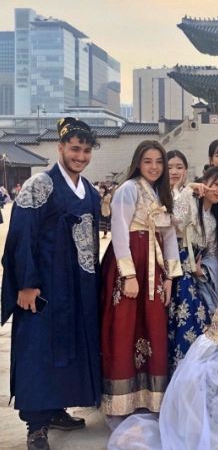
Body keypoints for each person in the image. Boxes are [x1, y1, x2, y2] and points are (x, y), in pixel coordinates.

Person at [1, 117, 101, 449]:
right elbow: (21, 236)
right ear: (60, 148)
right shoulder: (39, 185)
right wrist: (26, 284)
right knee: (38, 350)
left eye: (86, 150)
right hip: (44, 286)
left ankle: (58, 408)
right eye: (75, 149)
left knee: (71, 347)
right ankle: (36, 425)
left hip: (78, 287)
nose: (81, 156)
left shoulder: (90, 191)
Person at [100, 140, 183, 416]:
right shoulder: (129, 189)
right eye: (148, 161)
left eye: (159, 162)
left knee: (153, 325)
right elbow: (119, 230)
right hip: (131, 262)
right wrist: (128, 275)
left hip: (154, 267)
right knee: (125, 325)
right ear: (138, 163)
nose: (154, 167)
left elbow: (168, 237)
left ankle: (150, 396)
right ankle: (121, 399)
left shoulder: (162, 193)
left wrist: (170, 277)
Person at [168, 166, 218, 374]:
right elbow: (175, 220)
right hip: (176, 268)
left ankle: (193, 370)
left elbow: (211, 252)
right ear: (204, 182)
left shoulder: (214, 218)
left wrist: (202, 270)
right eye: (216, 184)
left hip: (195, 275)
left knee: (199, 319)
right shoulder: (190, 202)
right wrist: (188, 189)